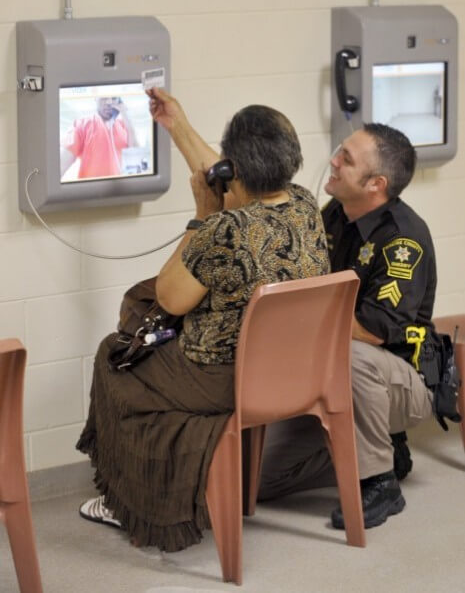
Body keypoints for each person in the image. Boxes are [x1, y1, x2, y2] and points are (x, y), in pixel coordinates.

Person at [76, 90, 330, 551]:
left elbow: (172, 299)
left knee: (117, 358)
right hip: (295, 374)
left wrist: (201, 217)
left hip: (224, 377)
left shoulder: (223, 230)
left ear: (240, 168)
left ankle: (136, 501)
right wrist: (178, 126)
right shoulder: (304, 204)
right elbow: (228, 173)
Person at [258, 123, 437, 530]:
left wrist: (302, 321)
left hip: (400, 380)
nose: (333, 161)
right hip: (330, 372)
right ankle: (381, 450)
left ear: (376, 184)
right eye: (340, 151)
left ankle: (379, 481)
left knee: (350, 354)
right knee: (260, 480)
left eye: (347, 159)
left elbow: (372, 331)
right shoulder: (338, 212)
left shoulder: (402, 241)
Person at [60, 96, 139, 179]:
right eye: (104, 97)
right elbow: (60, 166)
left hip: (119, 189)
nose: (109, 102)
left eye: (114, 98)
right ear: (95, 97)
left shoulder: (124, 126)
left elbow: (136, 160)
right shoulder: (81, 125)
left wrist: (125, 114)